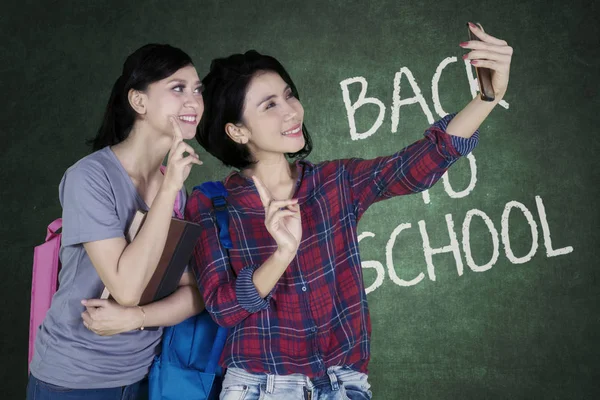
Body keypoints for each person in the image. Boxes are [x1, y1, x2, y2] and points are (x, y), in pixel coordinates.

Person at [186, 23, 513, 399]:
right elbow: (222, 308)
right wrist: (281, 255)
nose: (292, 111)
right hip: (259, 387)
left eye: (288, 95)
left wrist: (487, 98)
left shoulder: (334, 182)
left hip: (343, 384)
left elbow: (414, 166)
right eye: (269, 105)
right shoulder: (210, 203)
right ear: (237, 131)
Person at [28, 43, 205, 400]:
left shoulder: (176, 190)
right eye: (177, 88)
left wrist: (136, 317)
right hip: (73, 380)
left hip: (144, 378)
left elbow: (195, 294)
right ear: (139, 102)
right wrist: (170, 184)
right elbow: (126, 287)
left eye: (197, 90)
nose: (194, 102)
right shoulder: (89, 178)